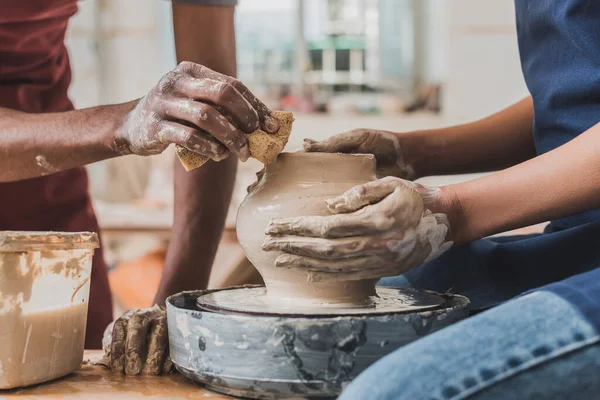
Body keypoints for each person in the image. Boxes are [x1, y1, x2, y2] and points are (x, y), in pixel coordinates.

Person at [264, 0, 600, 398]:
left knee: (388, 392)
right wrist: (415, 153)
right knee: (324, 332)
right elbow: (571, 97)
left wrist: (452, 212)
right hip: (579, 240)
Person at [1, 0, 277, 374]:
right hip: (34, 144)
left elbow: (212, 104)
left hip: (50, 191)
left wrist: (175, 302)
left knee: (77, 368)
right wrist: (123, 124)